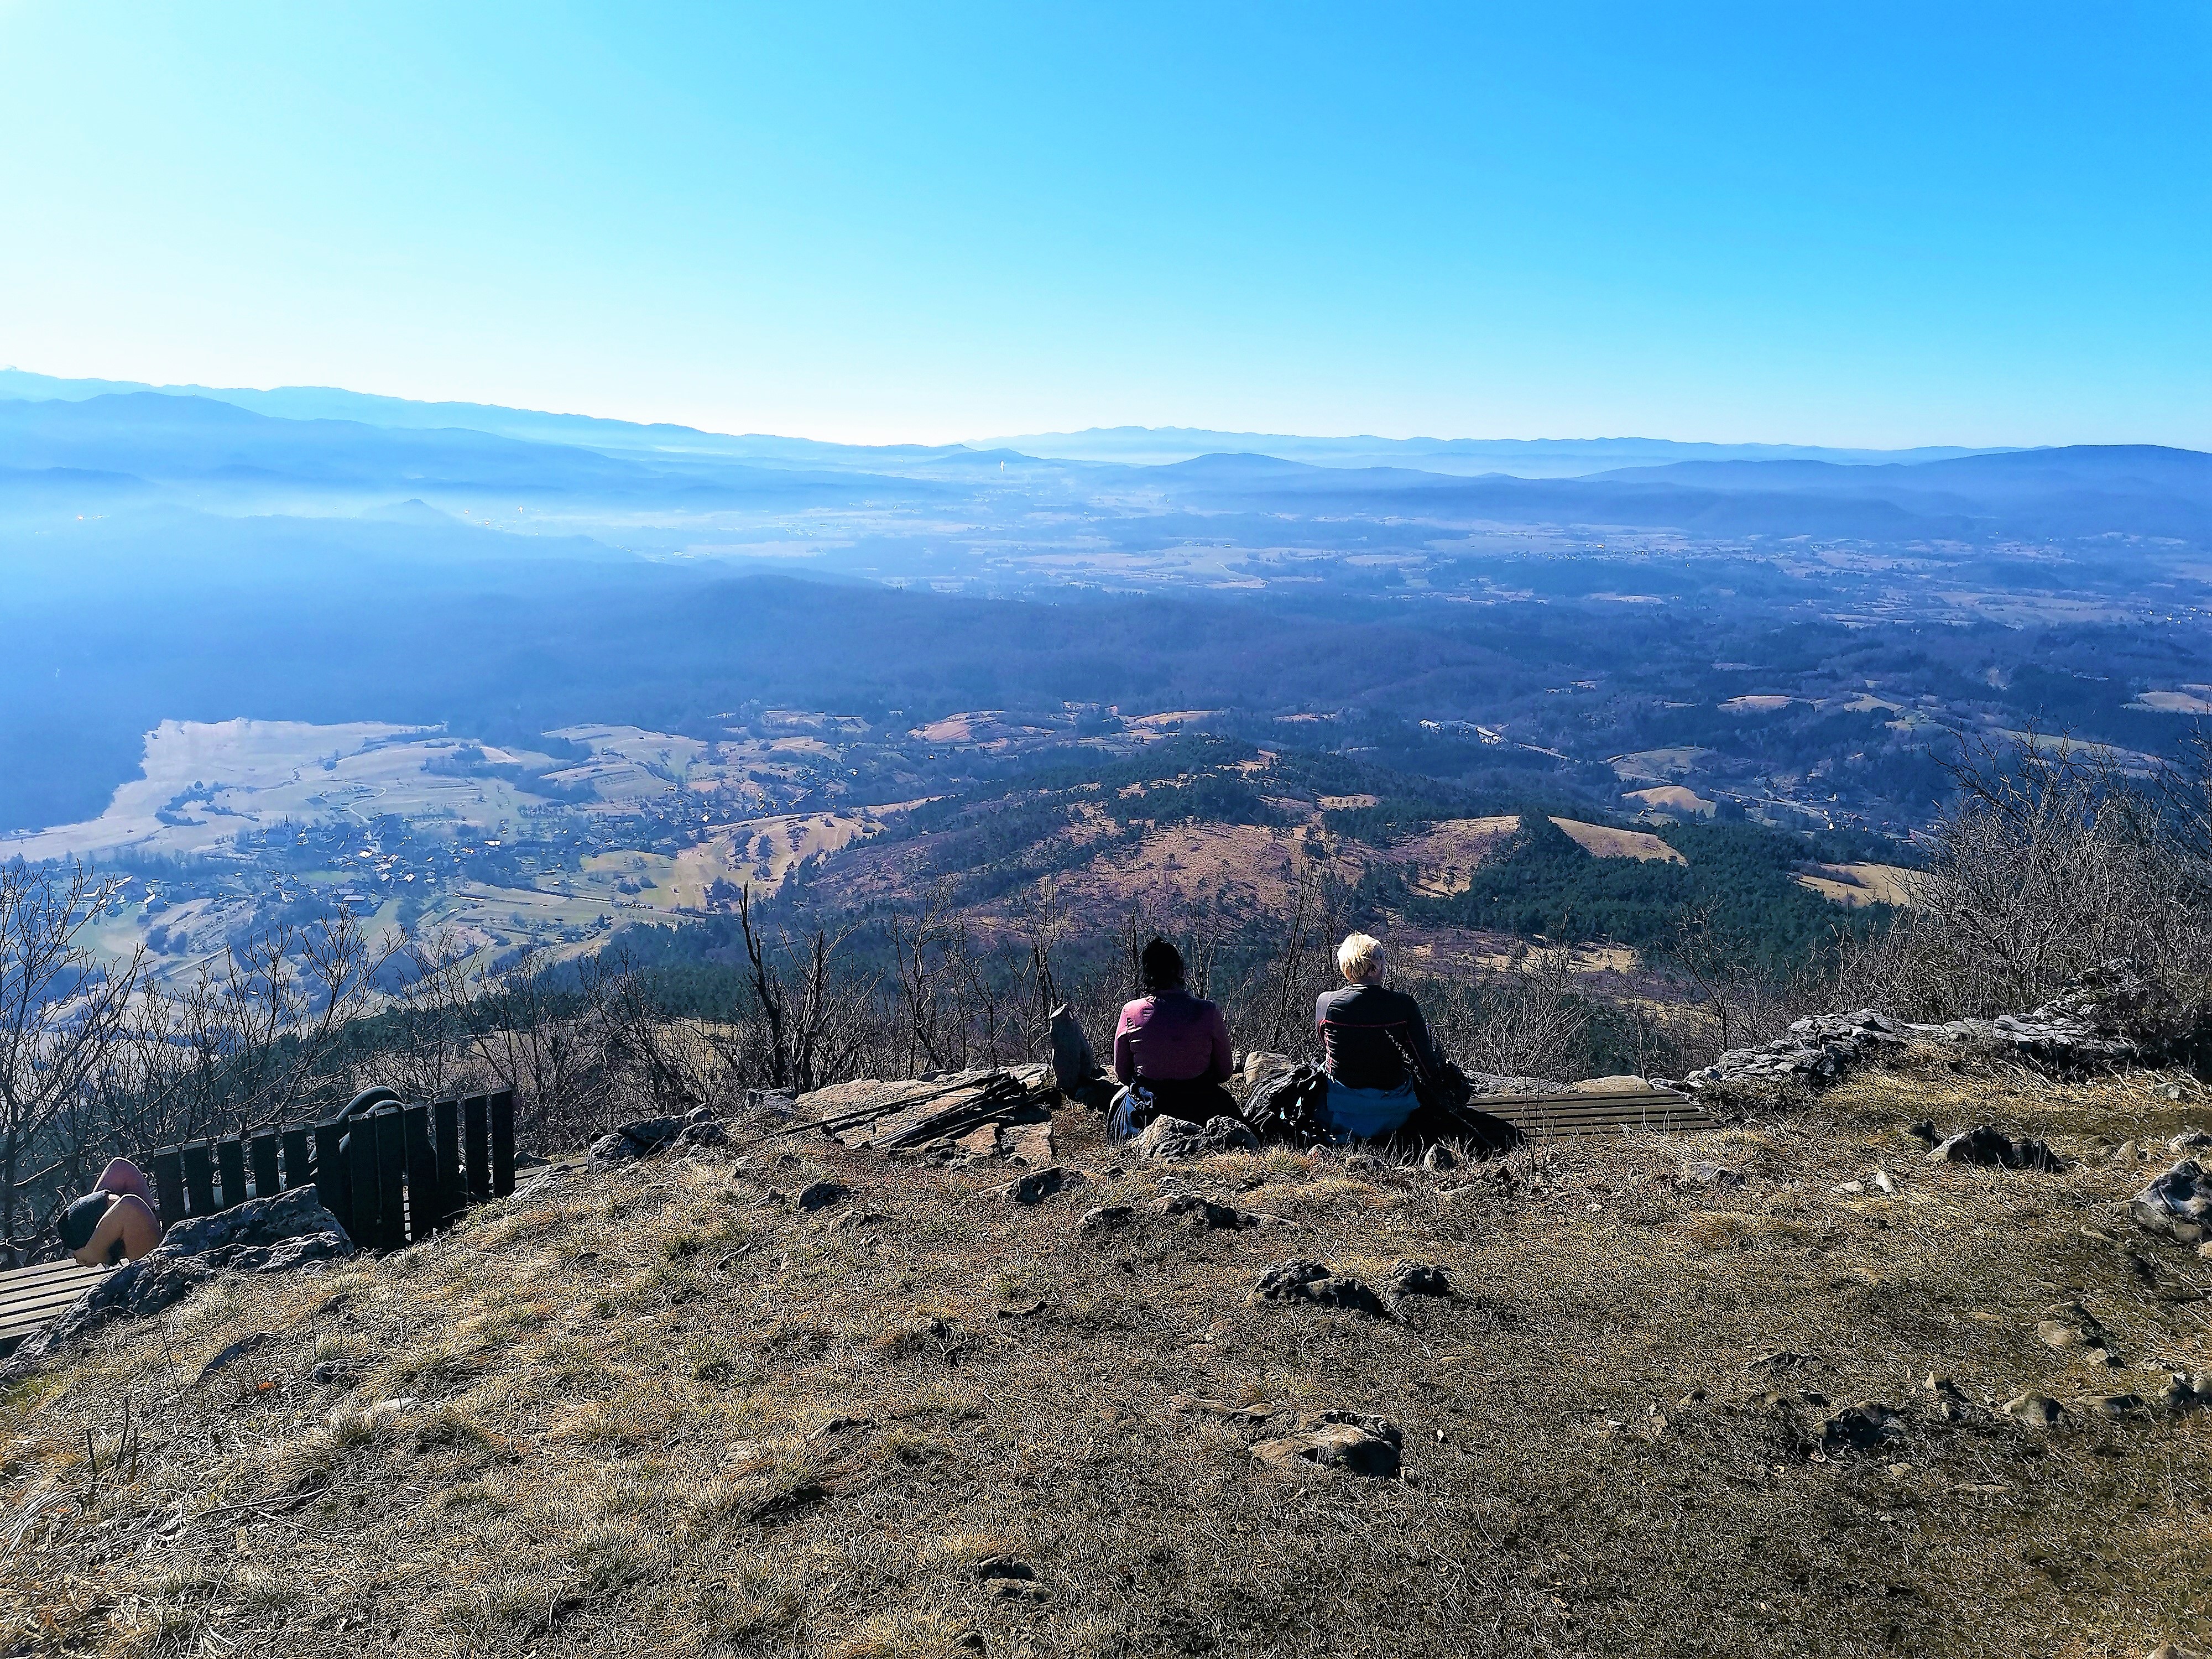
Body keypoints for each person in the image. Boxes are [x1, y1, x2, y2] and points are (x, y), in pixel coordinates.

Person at [1314, 932, 1448, 1142]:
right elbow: (1423, 1060)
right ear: (1375, 967)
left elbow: (1327, 1044)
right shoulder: (1403, 1005)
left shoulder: (1327, 1002)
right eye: (1382, 960)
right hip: (1395, 1112)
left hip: (1340, 1109)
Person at [1112, 937, 1235, 1130]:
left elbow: (1122, 1072)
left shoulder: (1131, 1012)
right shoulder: (1208, 1011)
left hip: (1148, 1109)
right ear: (1179, 972)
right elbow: (1225, 1071)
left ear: (1147, 973)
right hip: (1201, 1105)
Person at [56, 1157, 163, 1268]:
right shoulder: (148, 1260)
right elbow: (121, 1168)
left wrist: (94, 1250)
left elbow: (128, 1207)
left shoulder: (147, 1267)